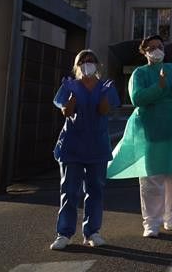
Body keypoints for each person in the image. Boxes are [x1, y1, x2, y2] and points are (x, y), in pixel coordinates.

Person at [107, 35, 172, 237]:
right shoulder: (140, 73)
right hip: (151, 130)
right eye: (152, 47)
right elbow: (137, 98)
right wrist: (161, 86)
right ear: (144, 52)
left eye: (160, 46)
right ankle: (151, 223)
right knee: (151, 177)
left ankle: (168, 215)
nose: (157, 50)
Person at [49, 49, 121, 250]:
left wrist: (104, 95)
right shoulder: (70, 85)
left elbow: (104, 111)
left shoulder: (105, 87)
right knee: (69, 191)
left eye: (91, 60)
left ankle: (92, 232)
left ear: (98, 65)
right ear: (77, 66)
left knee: (95, 190)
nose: (87, 63)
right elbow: (66, 111)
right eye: (83, 60)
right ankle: (64, 234)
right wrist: (72, 95)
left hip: (97, 146)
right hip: (72, 146)